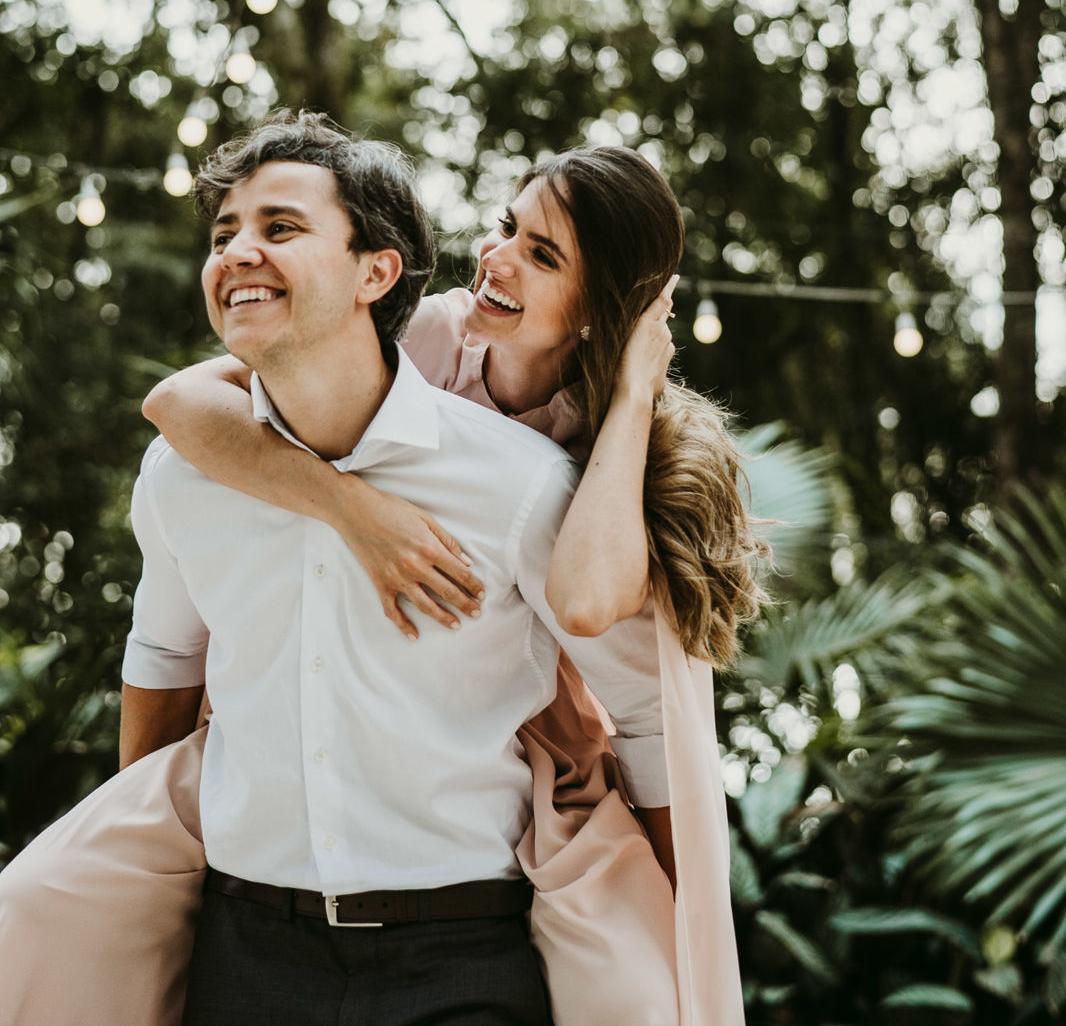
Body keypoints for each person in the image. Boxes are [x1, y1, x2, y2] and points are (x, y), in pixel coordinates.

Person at [0, 117, 763, 1026]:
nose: (499, 257)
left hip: (520, 757)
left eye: (542, 253)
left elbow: (593, 611)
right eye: (505, 226)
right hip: (270, 880)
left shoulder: (567, 464)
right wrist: (354, 509)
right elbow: (175, 406)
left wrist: (679, 926)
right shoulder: (432, 335)